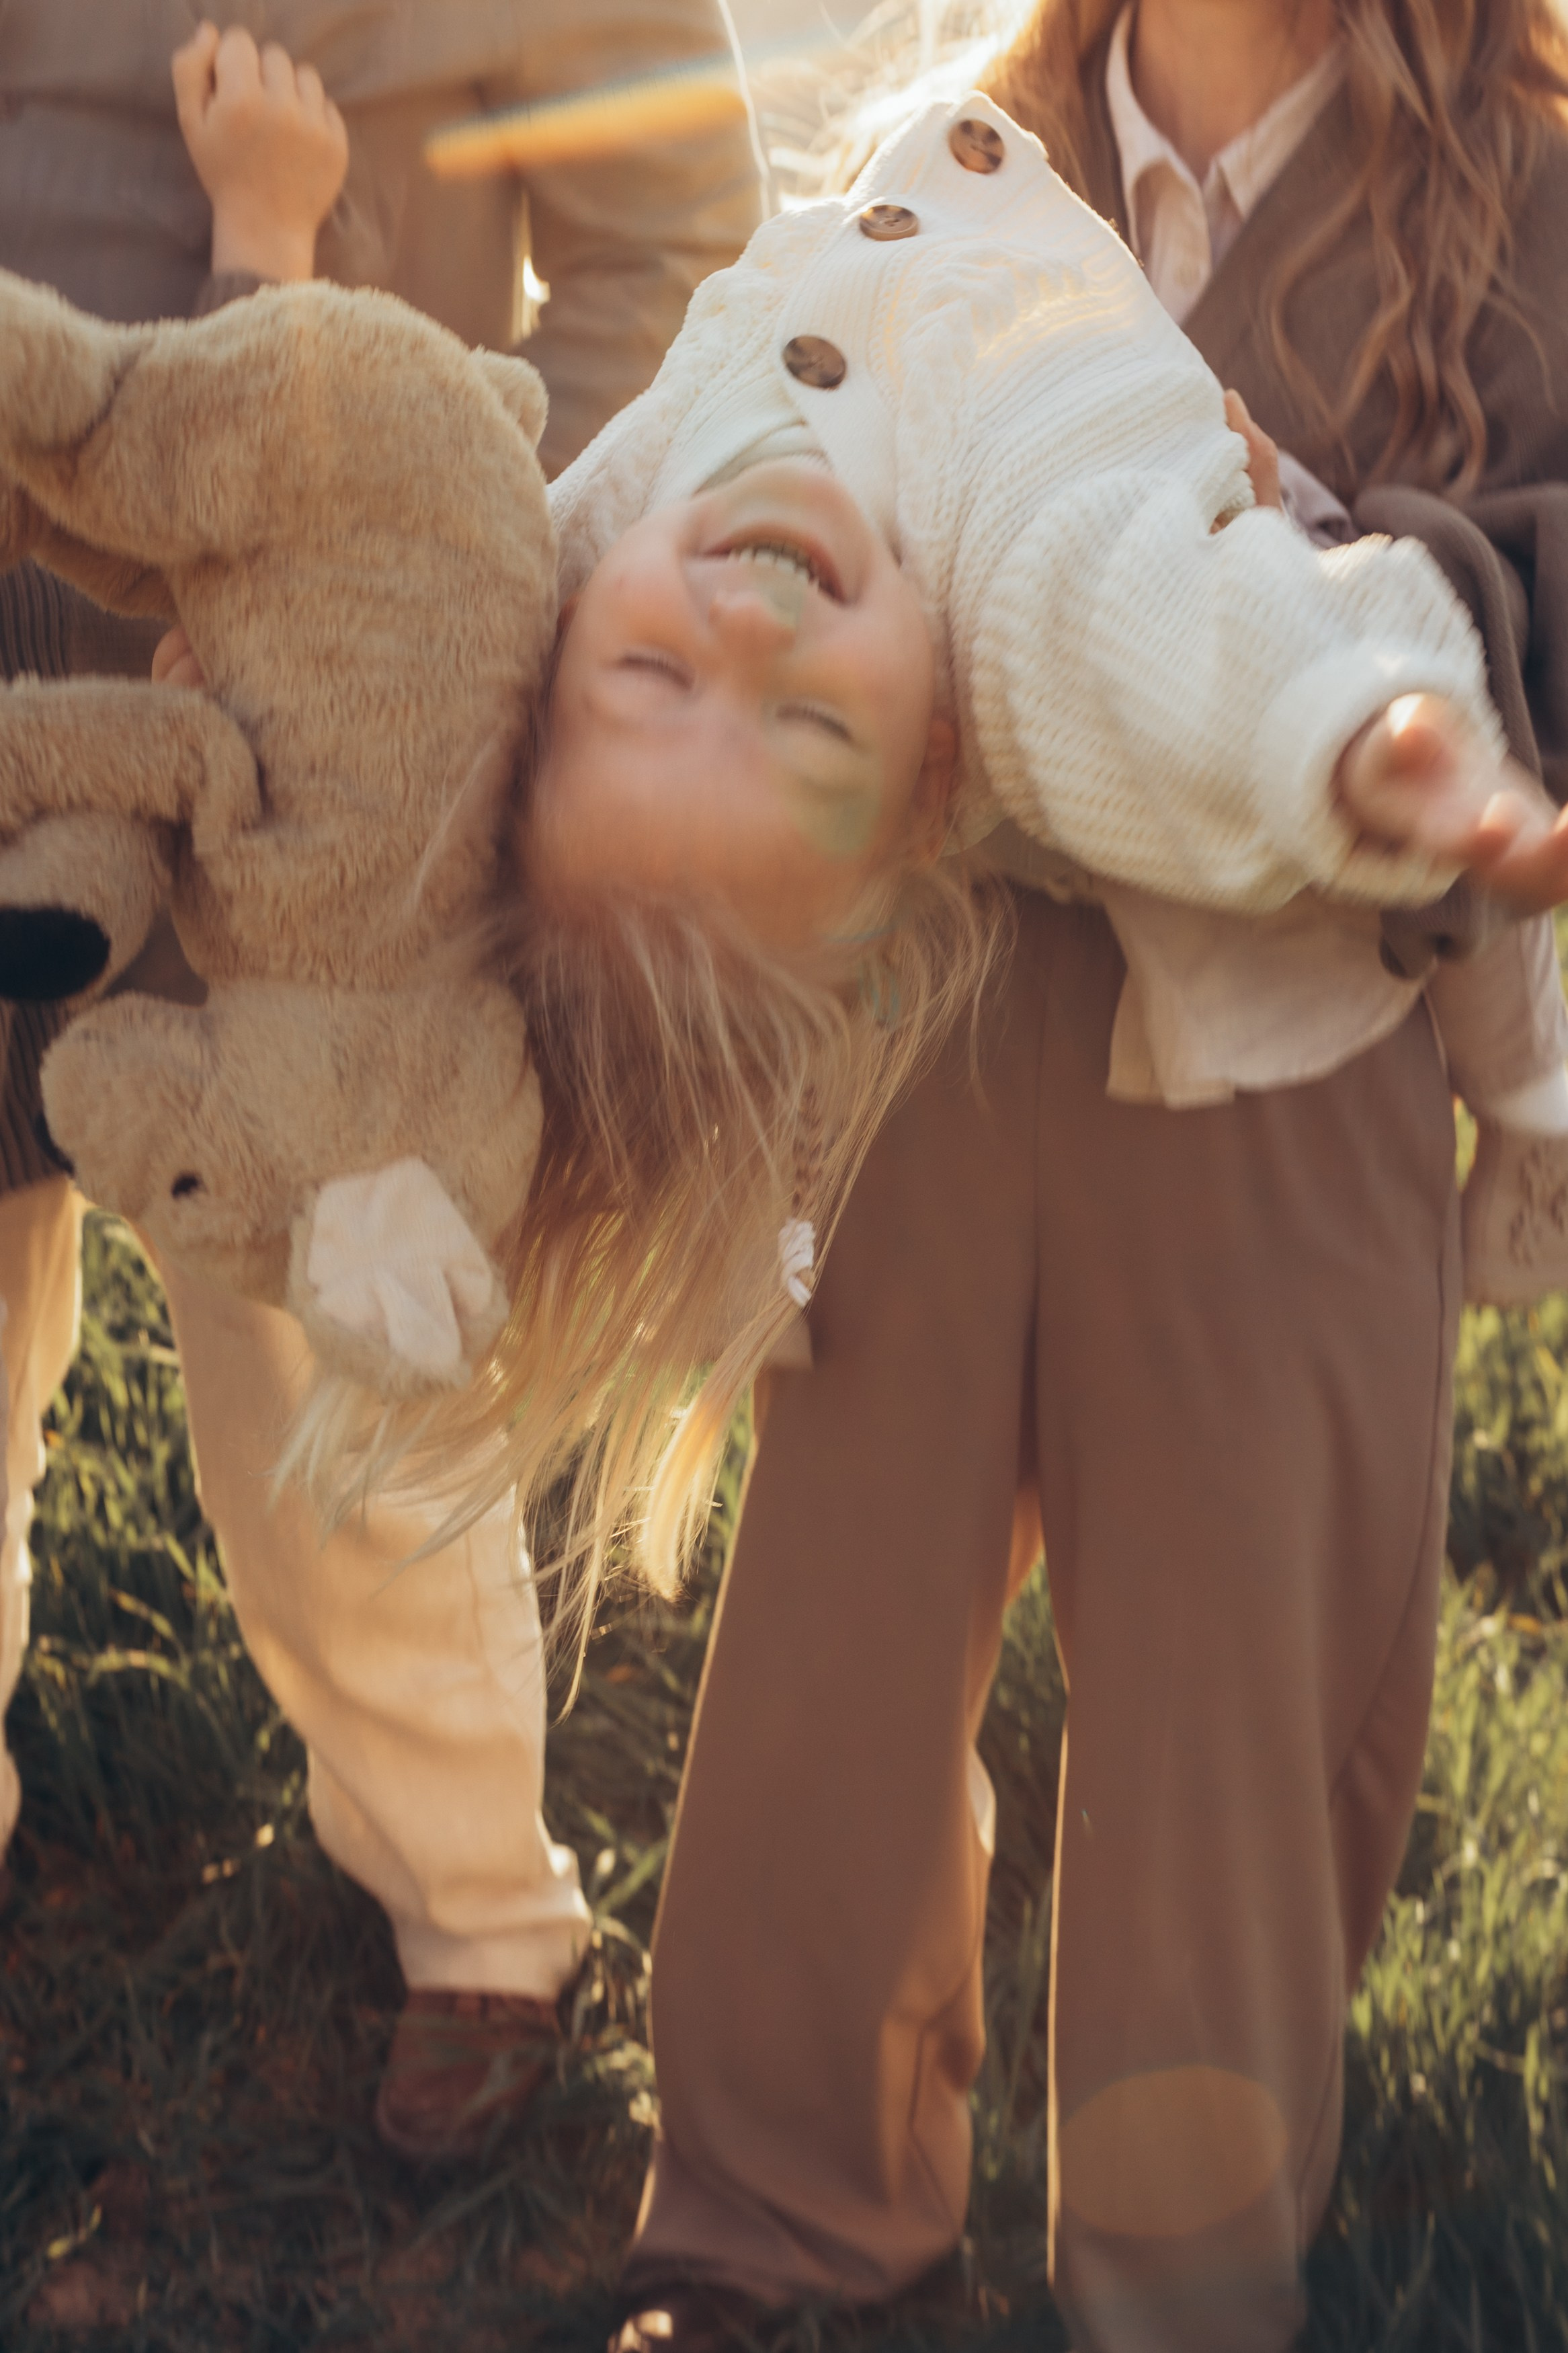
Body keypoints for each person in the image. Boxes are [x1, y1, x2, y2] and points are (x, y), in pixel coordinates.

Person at [571, 1, 1568, 2347]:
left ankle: (1177, 2282)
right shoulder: (980, 144)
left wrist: (1318, 563)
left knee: (1233, 1725)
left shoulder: (1530, 191)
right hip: (929, 1012)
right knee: (826, 1653)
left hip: (1283, 1065)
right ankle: (773, 2225)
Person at [0, 1, 761, 2163]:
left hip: (340, 764)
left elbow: (672, 254)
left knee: (337, 1366)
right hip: (28, 687)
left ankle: (480, 1912)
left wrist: (458, 586)